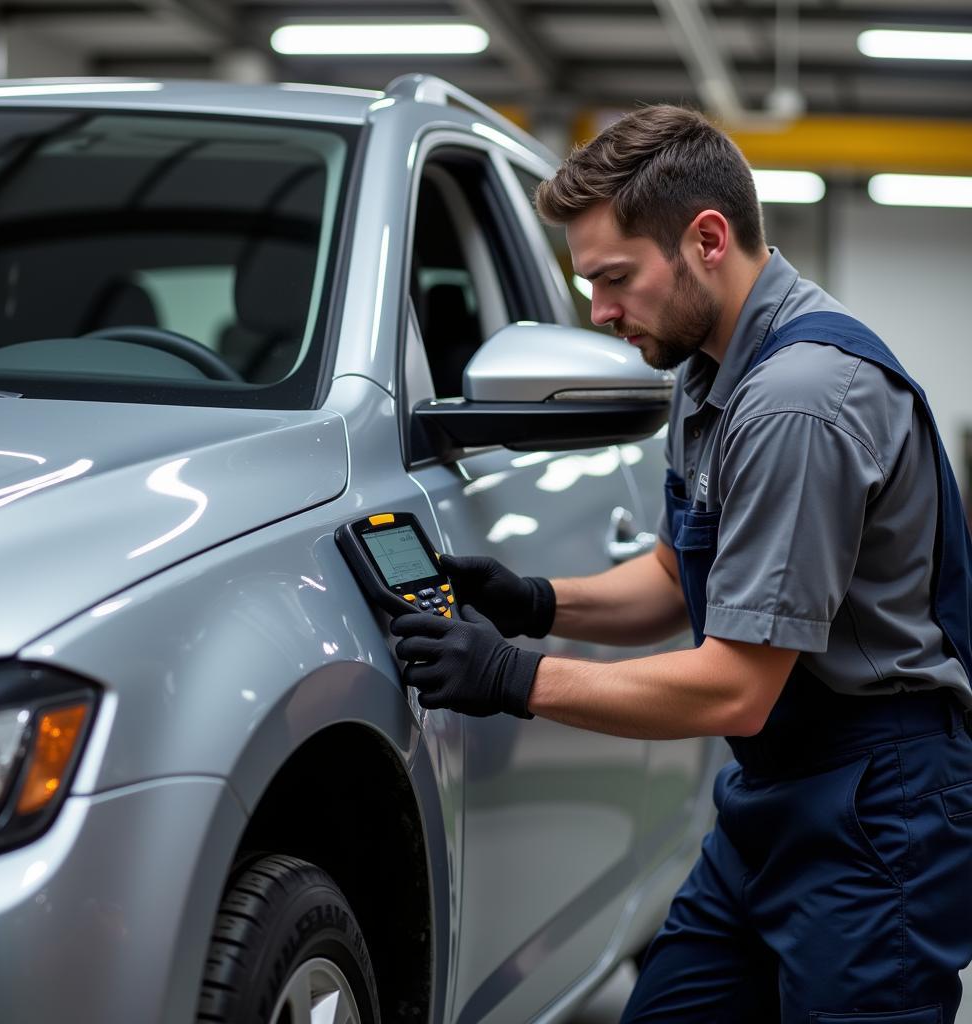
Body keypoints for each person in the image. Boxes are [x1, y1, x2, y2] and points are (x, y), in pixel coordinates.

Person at [390, 104, 972, 1022]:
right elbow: (673, 580)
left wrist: (512, 676)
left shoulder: (797, 401)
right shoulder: (710, 373)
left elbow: (734, 687)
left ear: (706, 239)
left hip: (872, 809)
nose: (599, 311)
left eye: (616, 278)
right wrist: (533, 601)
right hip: (768, 800)